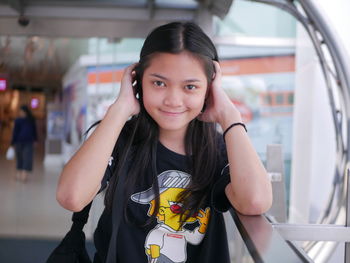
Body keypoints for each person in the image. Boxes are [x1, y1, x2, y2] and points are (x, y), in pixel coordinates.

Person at [56, 22, 273, 263]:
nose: (173, 100)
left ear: (209, 89)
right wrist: (120, 109)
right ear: (137, 82)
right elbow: (71, 197)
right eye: (159, 83)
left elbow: (255, 202)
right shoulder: (116, 137)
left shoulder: (219, 150)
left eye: (190, 86)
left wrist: (230, 117)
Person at [11, 105, 37, 182]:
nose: (21, 113)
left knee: (27, 157)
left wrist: (35, 140)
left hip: (29, 141)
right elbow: (15, 132)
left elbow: (34, 131)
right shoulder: (18, 120)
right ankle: (18, 174)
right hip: (19, 142)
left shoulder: (31, 120)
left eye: (22, 111)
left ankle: (24, 175)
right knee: (20, 158)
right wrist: (12, 142)